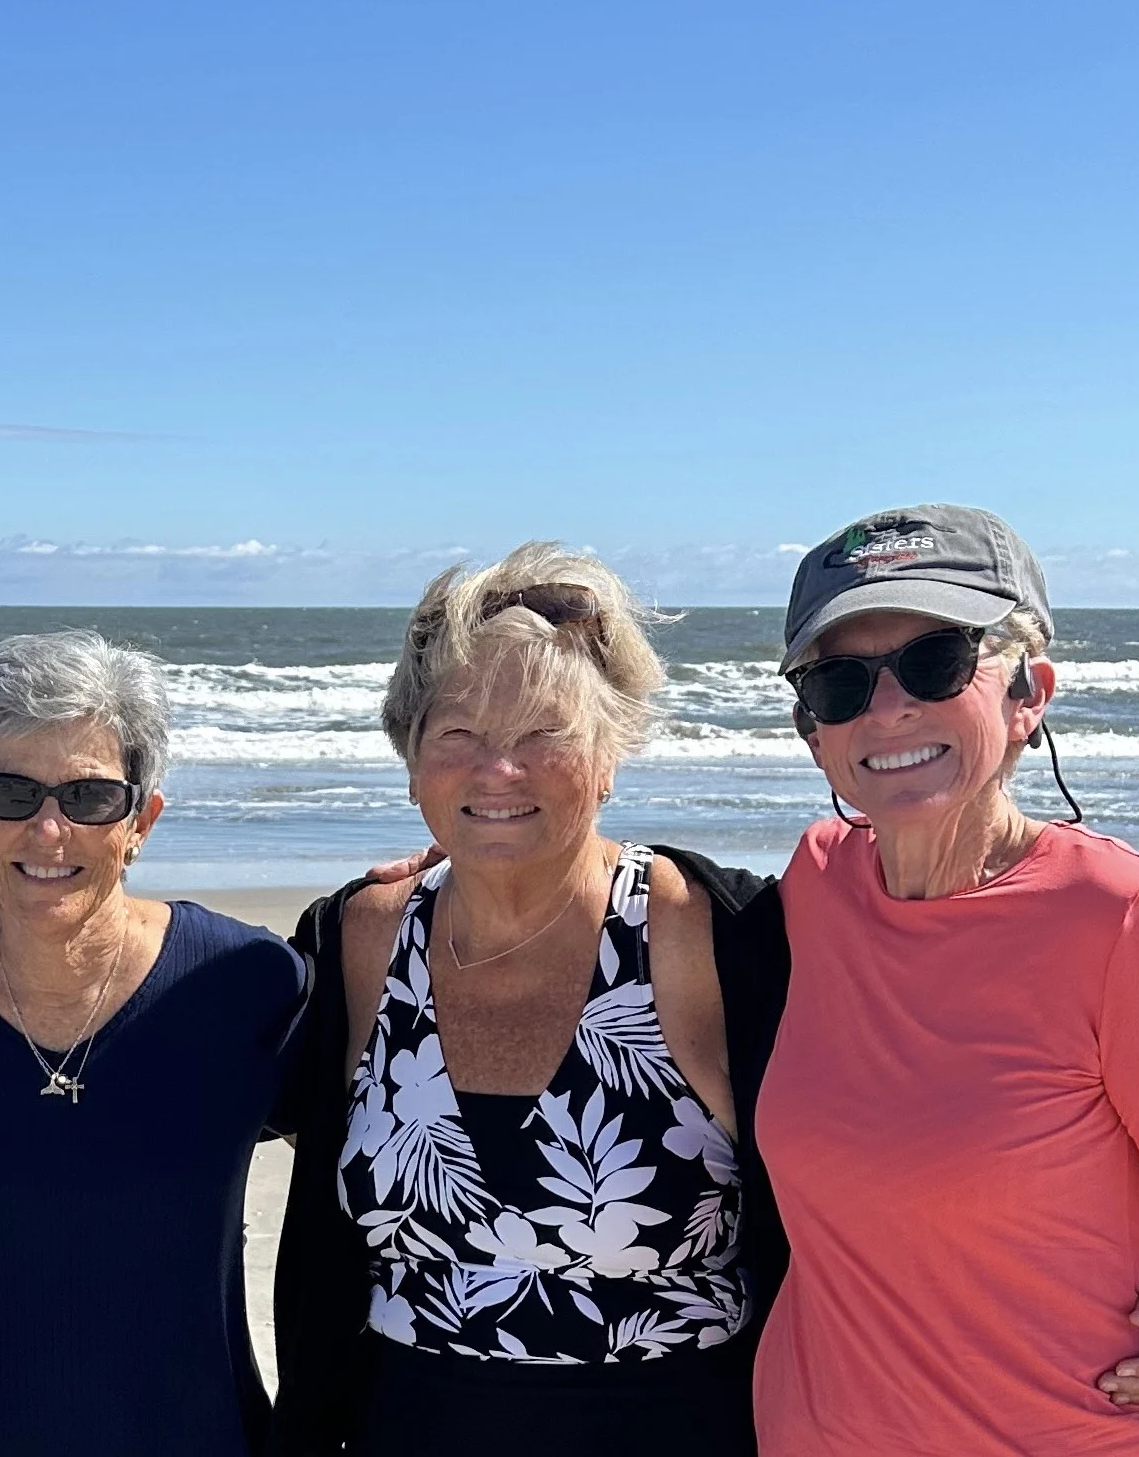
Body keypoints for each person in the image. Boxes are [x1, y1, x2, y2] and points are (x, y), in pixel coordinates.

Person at [260, 546, 780, 1454]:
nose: (498, 769)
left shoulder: (718, 936)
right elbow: (153, 1040)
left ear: (613, 753)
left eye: (544, 731)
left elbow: (928, 1087)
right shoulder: (356, 939)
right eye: (456, 732)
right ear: (412, 757)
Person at [753, 505, 1139, 1454]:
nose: (889, 706)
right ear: (811, 731)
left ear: (1030, 692)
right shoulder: (815, 883)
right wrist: (450, 876)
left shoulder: (1122, 919)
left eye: (938, 660)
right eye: (840, 681)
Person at [0, 630, 308, 1456]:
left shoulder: (245, 986)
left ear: (141, 819)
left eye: (87, 797)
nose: (49, 830)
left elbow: (378, 1168)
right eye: (13, 793)